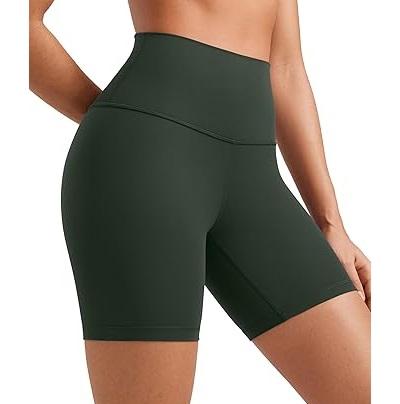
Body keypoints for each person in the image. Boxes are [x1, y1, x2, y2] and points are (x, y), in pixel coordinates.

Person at [29, 0, 371, 403]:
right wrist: (124, 117)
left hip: (253, 178)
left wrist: (331, 224)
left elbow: (286, 66)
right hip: (146, 161)